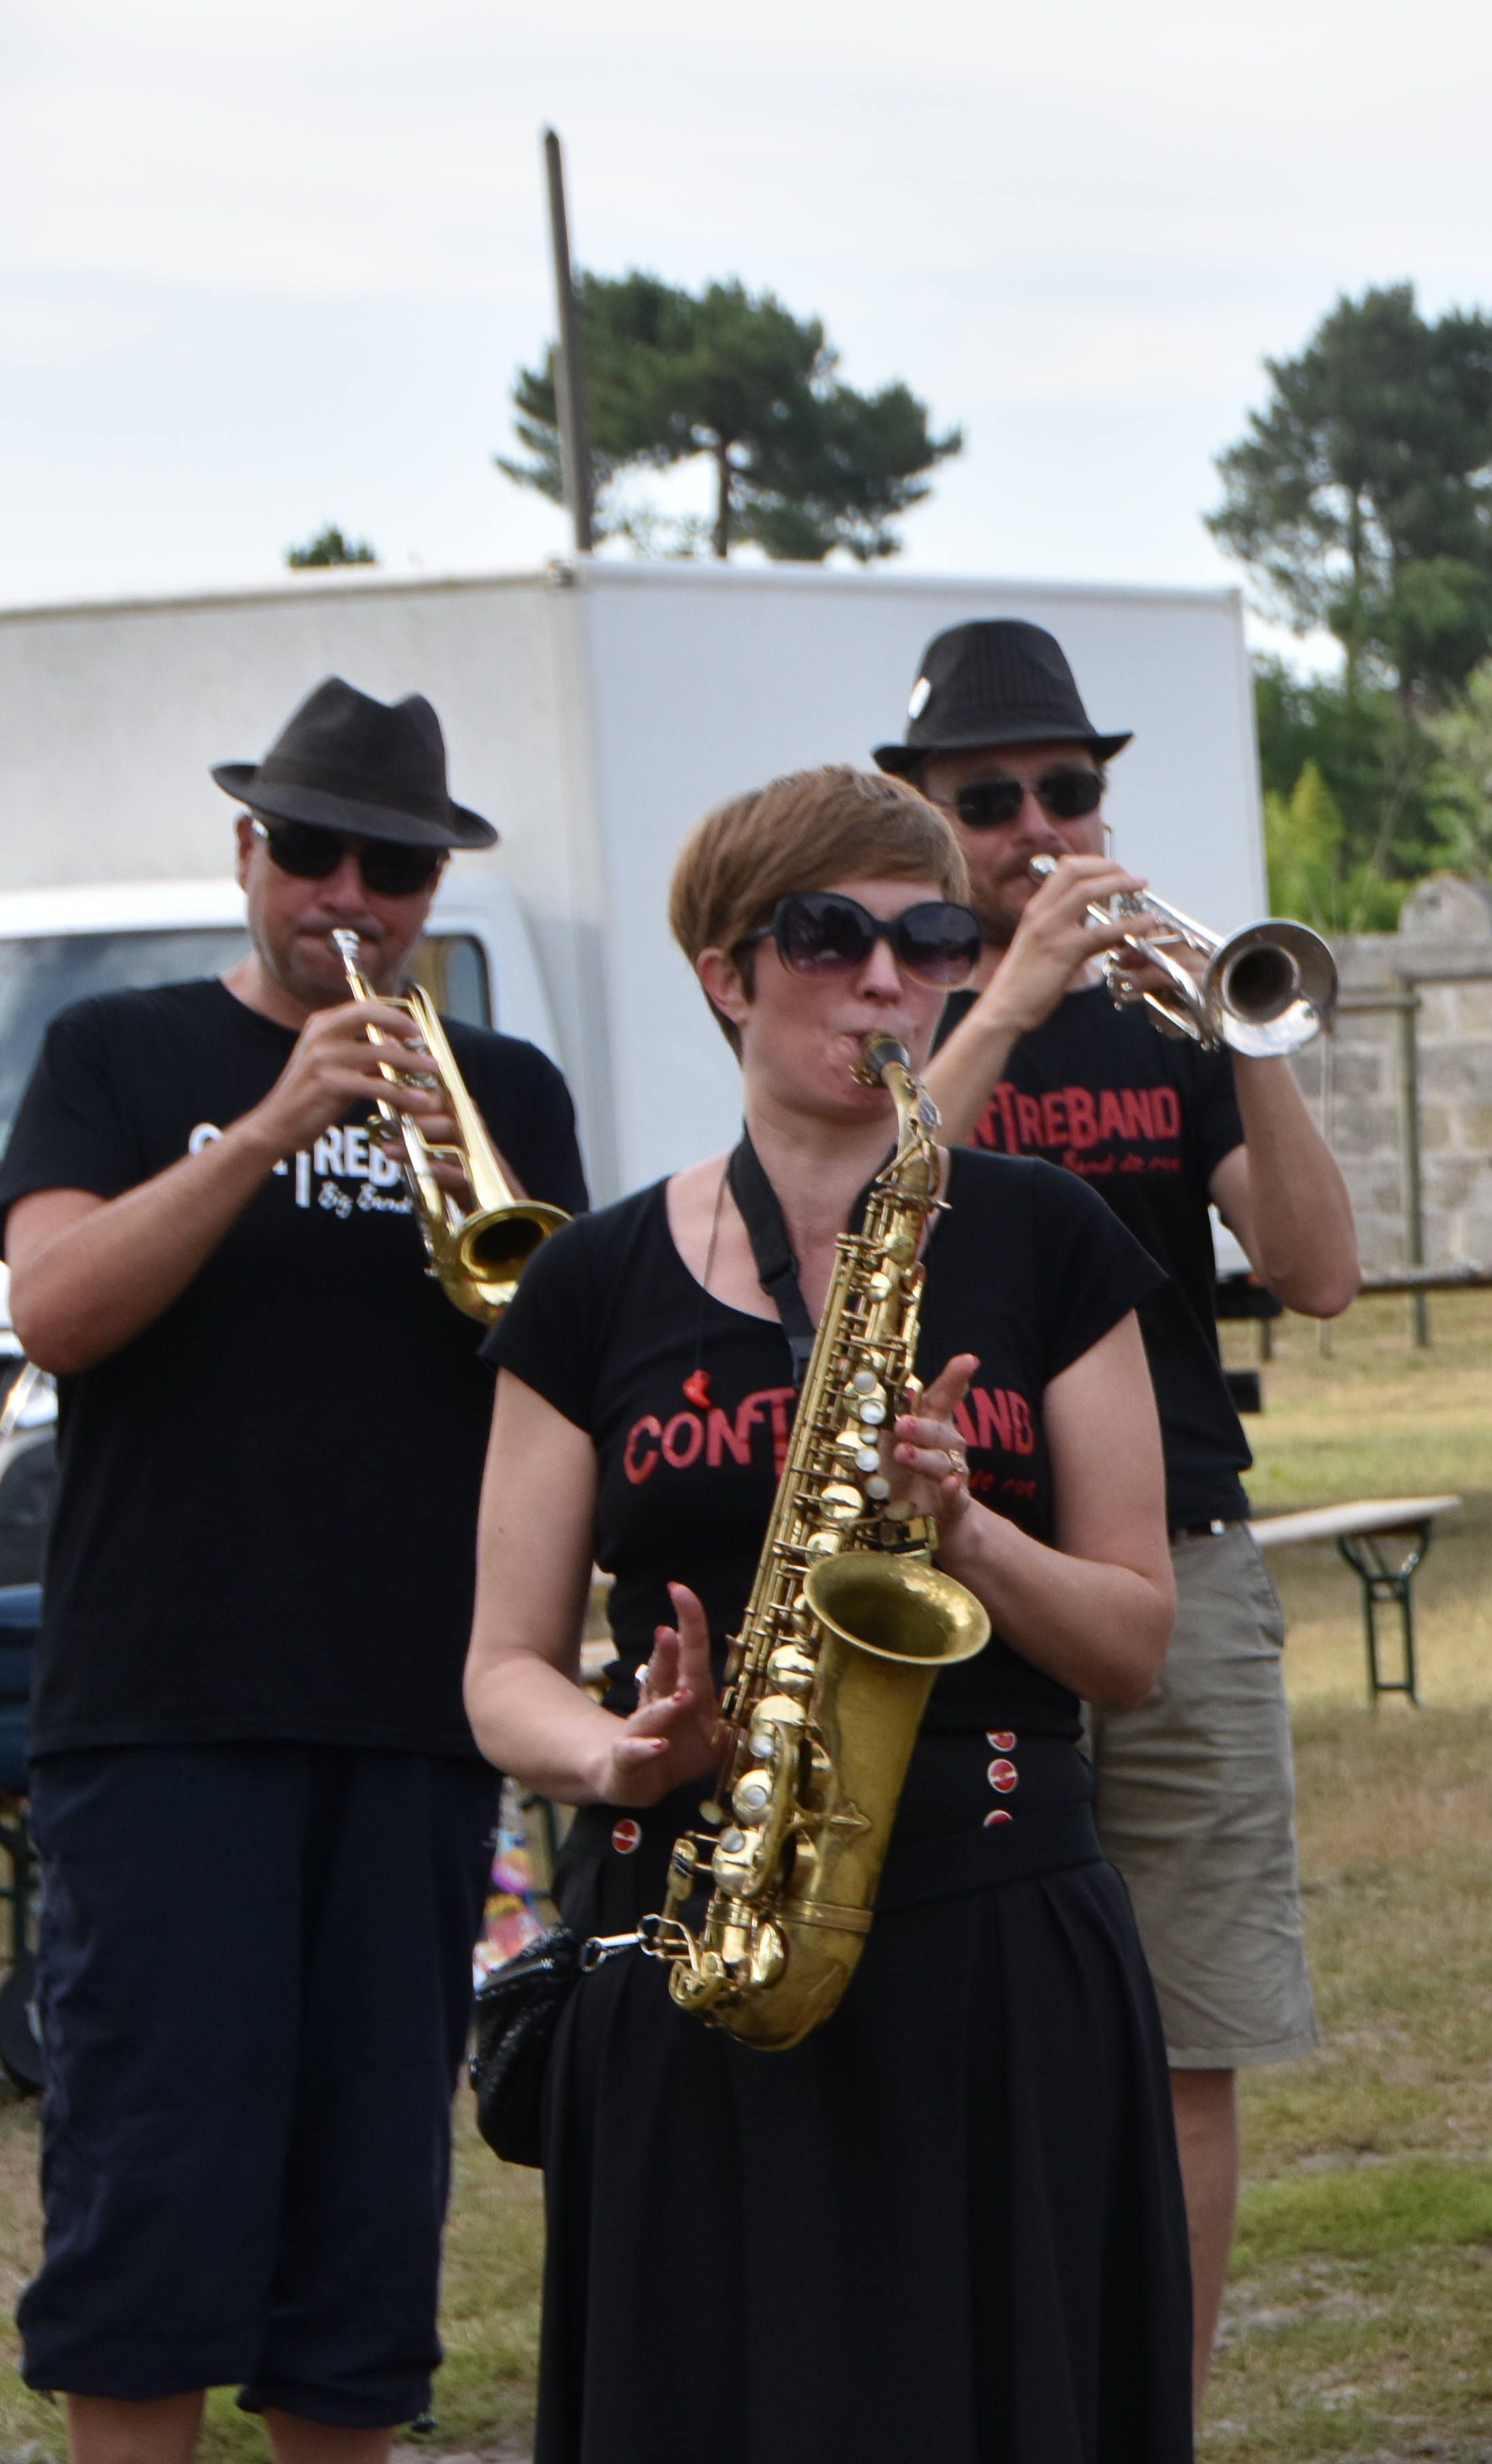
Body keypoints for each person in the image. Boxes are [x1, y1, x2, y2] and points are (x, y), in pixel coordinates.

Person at [464, 765, 1192, 2464]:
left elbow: (1136, 1642)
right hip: (703, 1943)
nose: (887, 979)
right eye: (829, 936)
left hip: (995, 1936)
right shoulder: (593, 1283)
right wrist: (620, 1749)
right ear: (726, 970)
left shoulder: (1047, 1240)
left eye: (929, 939)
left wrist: (971, 1533)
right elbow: (500, 1668)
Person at [0, 677, 586, 2464]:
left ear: (431, 887)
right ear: (247, 851)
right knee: (156, 2177)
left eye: (394, 866)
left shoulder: (506, 1092)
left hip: (410, 1702)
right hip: (165, 1710)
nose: (354, 895)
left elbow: (553, 1370)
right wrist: (268, 1130)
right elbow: (56, 1312)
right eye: (317, 852)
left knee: (367, 2200)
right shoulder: (124, 1058)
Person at [871, 617, 1363, 2405]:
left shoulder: (1169, 1030)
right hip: (930, 1555)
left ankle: (1146, 2411)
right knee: (940, 2001)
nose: (1034, 826)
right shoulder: (874, 995)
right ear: (920, 809)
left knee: (1187, 2036)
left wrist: (1248, 1027)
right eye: (989, 797)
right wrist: (999, 998)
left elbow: (1319, 1271)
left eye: (1067, 790)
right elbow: (862, 1206)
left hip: (1178, 1551)